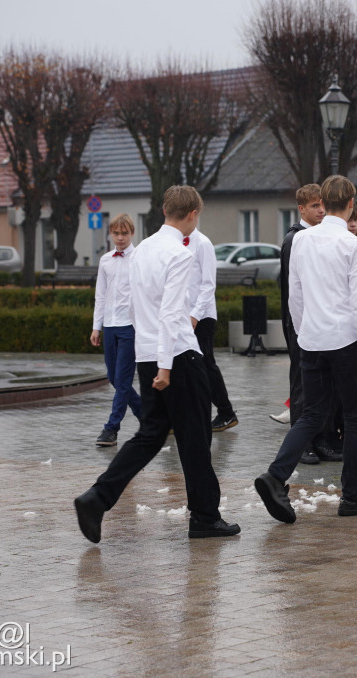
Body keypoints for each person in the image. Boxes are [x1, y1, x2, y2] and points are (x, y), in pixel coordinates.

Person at [74, 186, 240, 542]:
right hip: (176, 356)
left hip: (149, 354)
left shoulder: (143, 249)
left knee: (150, 436)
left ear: (166, 210)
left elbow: (136, 308)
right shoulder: (180, 254)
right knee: (195, 437)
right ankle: (205, 518)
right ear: (193, 214)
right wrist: (166, 366)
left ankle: (96, 498)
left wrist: (149, 359)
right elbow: (170, 313)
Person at [254, 175, 357, 522]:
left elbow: (294, 293)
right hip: (344, 338)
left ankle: (275, 475)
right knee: (356, 416)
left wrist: (301, 332)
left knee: (311, 413)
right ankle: (352, 496)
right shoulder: (353, 245)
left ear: (323, 203)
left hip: (311, 337)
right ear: (351, 202)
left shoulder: (302, 240)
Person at [280, 184, 338, 465]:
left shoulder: (320, 236)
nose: (321, 211)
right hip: (300, 322)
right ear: (301, 208)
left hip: (321, 321)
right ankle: (303, 443)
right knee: (301, 384)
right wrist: (297, 327)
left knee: (322, 383)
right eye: (315, 206)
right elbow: (292, 288)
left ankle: (322, 438)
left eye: (322, 205)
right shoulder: (295, 239)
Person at [90, 214, 143, 448]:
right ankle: (151, 418)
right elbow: (100, 295)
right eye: (116, 233)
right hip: (110, 326)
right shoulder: (105, 261)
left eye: (125, 233)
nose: (120, 238)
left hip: (131, 327)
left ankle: (111, 428)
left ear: (132, 234)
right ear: (110, 234)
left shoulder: (141, 258)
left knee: (122, 380)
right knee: (114, 378)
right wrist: (96, 326)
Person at [185, 216, 237, 432]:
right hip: (181, 315)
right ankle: (181, 414)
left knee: (205, 364)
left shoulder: (203, 244)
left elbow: (208, 285)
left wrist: (195, 315)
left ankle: (226, 412)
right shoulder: (172, 242)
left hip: (202, 316)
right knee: (185, 365)